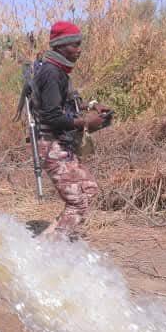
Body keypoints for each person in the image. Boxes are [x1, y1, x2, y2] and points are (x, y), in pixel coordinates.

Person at [30, 21, 111, 240]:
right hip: (52, 146)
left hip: (60, 144)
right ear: (60, 46)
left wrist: (92, 106)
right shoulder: (51, 73)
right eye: (74, 45)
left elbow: (62, 105)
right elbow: (51, 116)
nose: (79, 49)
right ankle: (52, 251)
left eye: (79, 44)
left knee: (90, 189)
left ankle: (51, 237)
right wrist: (85, 123)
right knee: (78, 201)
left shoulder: (57, 71)